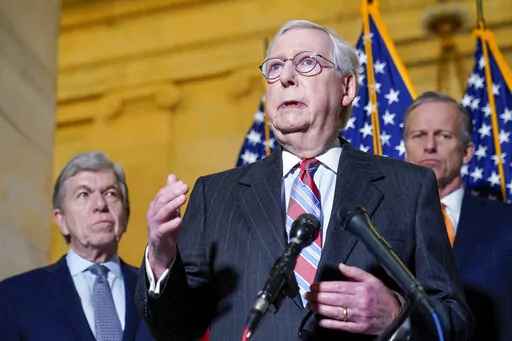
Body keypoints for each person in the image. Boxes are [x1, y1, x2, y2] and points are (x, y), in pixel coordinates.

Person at [135, 20, 472, 340]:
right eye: (275, 67)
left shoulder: (408, 188)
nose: (286, 78)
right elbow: (175, 330)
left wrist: (397, 314)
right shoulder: (215, 194)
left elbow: (453, 320)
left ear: (346, 87)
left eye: (306, 62)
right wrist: (162, 259)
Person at [0, 151, 154, 341]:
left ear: (126, 214)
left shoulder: (156, 292)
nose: (100, 204)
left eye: (110, 194)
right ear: (61, 219)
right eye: (83, 194)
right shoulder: (16, 295)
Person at [404, 91, 512, 341]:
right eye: (418, 135)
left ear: (467, 152)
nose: (429, 145)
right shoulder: (378, 226)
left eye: (443, 135)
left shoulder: (507, 222)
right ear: (406, 151)